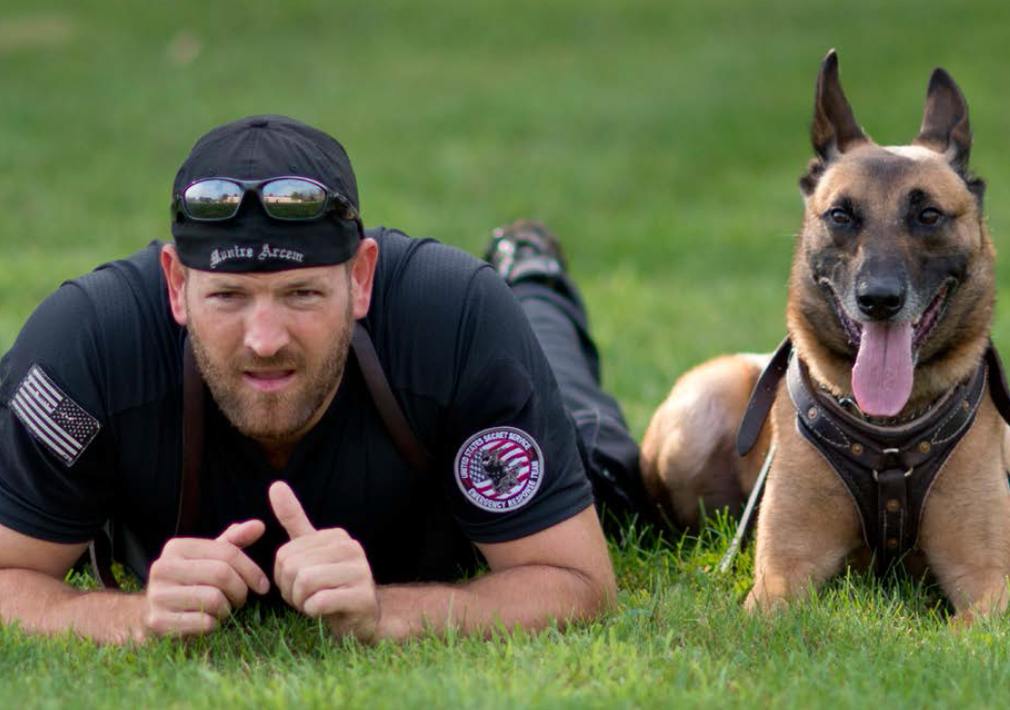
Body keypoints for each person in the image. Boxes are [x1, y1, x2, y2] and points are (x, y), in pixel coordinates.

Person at [0, 115, 650, 644]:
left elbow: (575, 581)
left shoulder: (454, 317)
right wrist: (135, 619)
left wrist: (386, 614)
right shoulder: (84, 346)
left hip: (467, 398)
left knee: (602, 455)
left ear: (360, 278)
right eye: (227, 297)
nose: (265, 339)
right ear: (176, 285)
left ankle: (532, 274)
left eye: (302, 294)